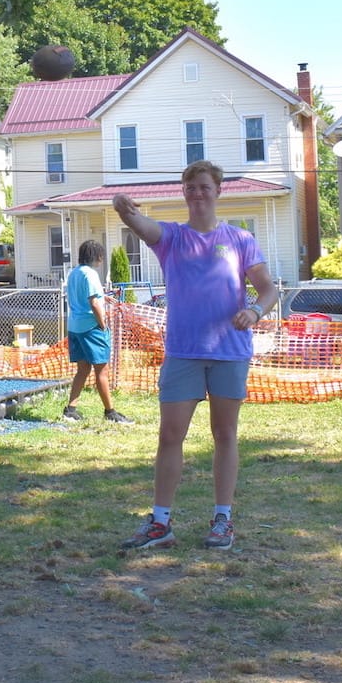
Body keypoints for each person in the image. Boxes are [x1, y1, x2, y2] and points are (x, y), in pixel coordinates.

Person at [112, 160, 278, 550]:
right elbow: (142, 225)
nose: (197, 193)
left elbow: (268, 289)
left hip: (229, 351)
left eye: (204, 186)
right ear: (184, 193)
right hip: (183, 352)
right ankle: (160, 523)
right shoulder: (172, 238)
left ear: (218, 191)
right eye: (190, 187)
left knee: (224, 434)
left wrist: (254, 311)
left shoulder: (240, 239)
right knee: (170, 435)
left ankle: (223, 519)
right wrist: (124, 209)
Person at [63, 239, 132, 424]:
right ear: (96, 256)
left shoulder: (73, 273)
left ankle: (71, 409)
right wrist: (102, 324)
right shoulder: (90, 274)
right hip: (91, 327)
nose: (102, 259)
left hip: (74, 327)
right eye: (101, 256)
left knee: (82, 370)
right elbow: (94, 302)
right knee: (102, 370)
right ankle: (110, 412)